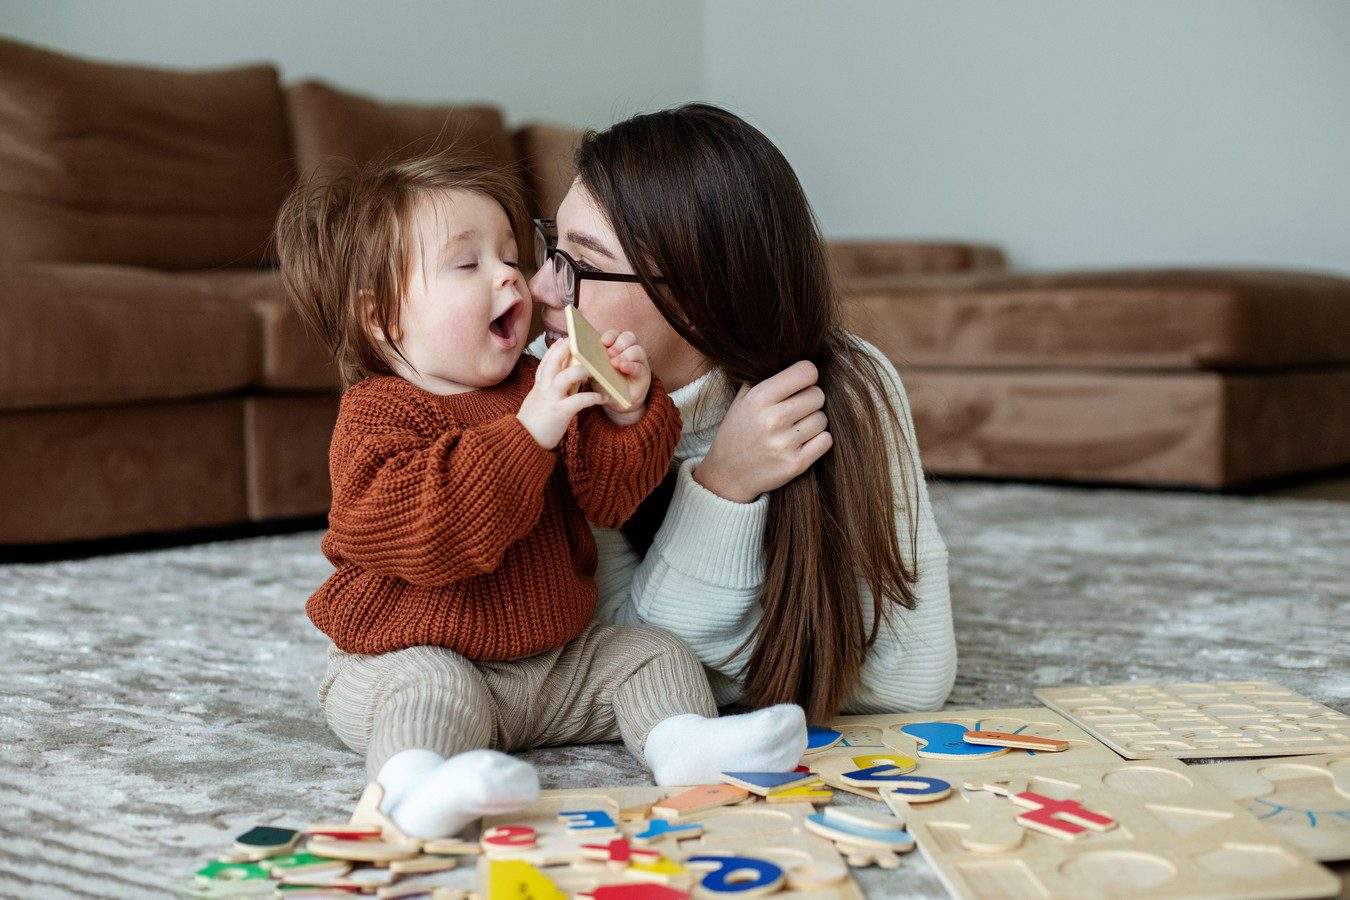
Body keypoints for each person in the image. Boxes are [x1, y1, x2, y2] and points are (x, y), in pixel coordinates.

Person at [274, 152, 806, 839]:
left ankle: (685, 747)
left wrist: (626, 416)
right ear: (383, 320)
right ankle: (411, 787)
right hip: (407, 658)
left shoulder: (537, 386)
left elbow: (609, 498)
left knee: (650, 653)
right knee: (431, 691)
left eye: (509, 255)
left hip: (548, 666)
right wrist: (529, 435)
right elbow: (432, 533)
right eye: (468, 266)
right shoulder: (378, 415)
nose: (509, 277)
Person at [528, 104, 956, 722]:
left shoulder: (850, 385)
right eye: (551, 246)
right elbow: (619, 675)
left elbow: (912, 680)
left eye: (579, 263)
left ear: (696, 296)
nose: (542, 287)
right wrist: (724, 486)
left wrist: (714, 659)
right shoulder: (556, 397)